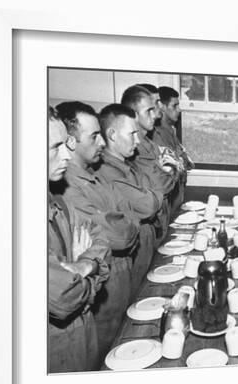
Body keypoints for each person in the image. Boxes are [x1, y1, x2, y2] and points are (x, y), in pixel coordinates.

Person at [55, 101, 140, 363]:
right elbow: (117, 236)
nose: (102, 142)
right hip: (102, 297)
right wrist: (122, 223)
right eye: (94, 136)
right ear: (71, 141)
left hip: (117, 281)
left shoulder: (95, 175)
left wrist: (123, 223)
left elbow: (131, 220)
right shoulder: (67, 187)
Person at [47, 106, 111, 373]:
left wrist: (84, 266)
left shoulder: (57, 201)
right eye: (55, 147)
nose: (66, 154)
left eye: (66, 144)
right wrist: (91, 271)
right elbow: (65, 297)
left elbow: (101, 239)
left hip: (81, 334)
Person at [95, 103, 164, 294]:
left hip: (144, 247)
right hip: (126, 262)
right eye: (132, 134)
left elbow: (156, 189)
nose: (138, 141)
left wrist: (151, 194)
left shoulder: (127, 164)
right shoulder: (107, 171)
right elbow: (148, 205)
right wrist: (152, 195)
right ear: (112, 135)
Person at [121, 85, 179, 246]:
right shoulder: (135, 147)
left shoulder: (149, 142)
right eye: (149, 110)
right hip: (146, 227)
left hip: (161, 219)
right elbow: (162, 184)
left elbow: (173, 169)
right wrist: (171, 169)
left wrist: (169, 169)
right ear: (134, 115)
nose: (155, 115)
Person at [153, 86, 194, 212]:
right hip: (166, 204)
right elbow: (172, 168)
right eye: (174, 106)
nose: (179, 109)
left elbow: (188, 164)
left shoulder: (171, 131)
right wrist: (180, 163)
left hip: (177, 200)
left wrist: (180, 162)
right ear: (162, 107)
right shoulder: (155, 136)